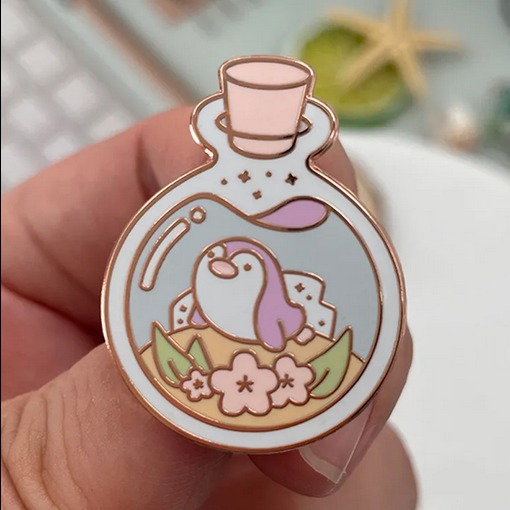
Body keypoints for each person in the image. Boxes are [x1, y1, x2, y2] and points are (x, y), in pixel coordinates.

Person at [1, 107, 416, 509]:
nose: (225, 263)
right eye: (222, 255)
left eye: (241, 262)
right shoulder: (194, 295)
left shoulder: (269, 302)